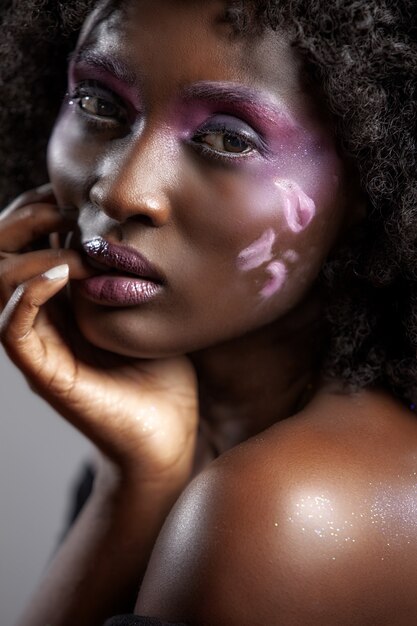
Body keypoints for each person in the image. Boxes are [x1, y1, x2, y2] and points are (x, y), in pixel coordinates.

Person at [0, 0, 416, 624]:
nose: (120, 190)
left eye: (227, 138)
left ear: (369, 182)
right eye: (97, 102)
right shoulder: (207, 441)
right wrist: (139, 481)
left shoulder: (288, 508)